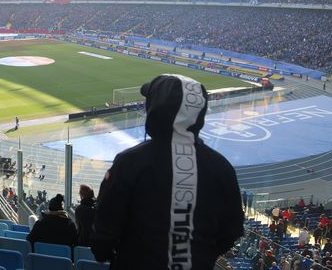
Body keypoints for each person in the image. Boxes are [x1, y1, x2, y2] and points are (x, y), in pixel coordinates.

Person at [92, 74, 244, 269]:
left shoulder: (129, 163)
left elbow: (102, 239)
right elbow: (230, 232)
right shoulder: (221, 167)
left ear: (154, 109)